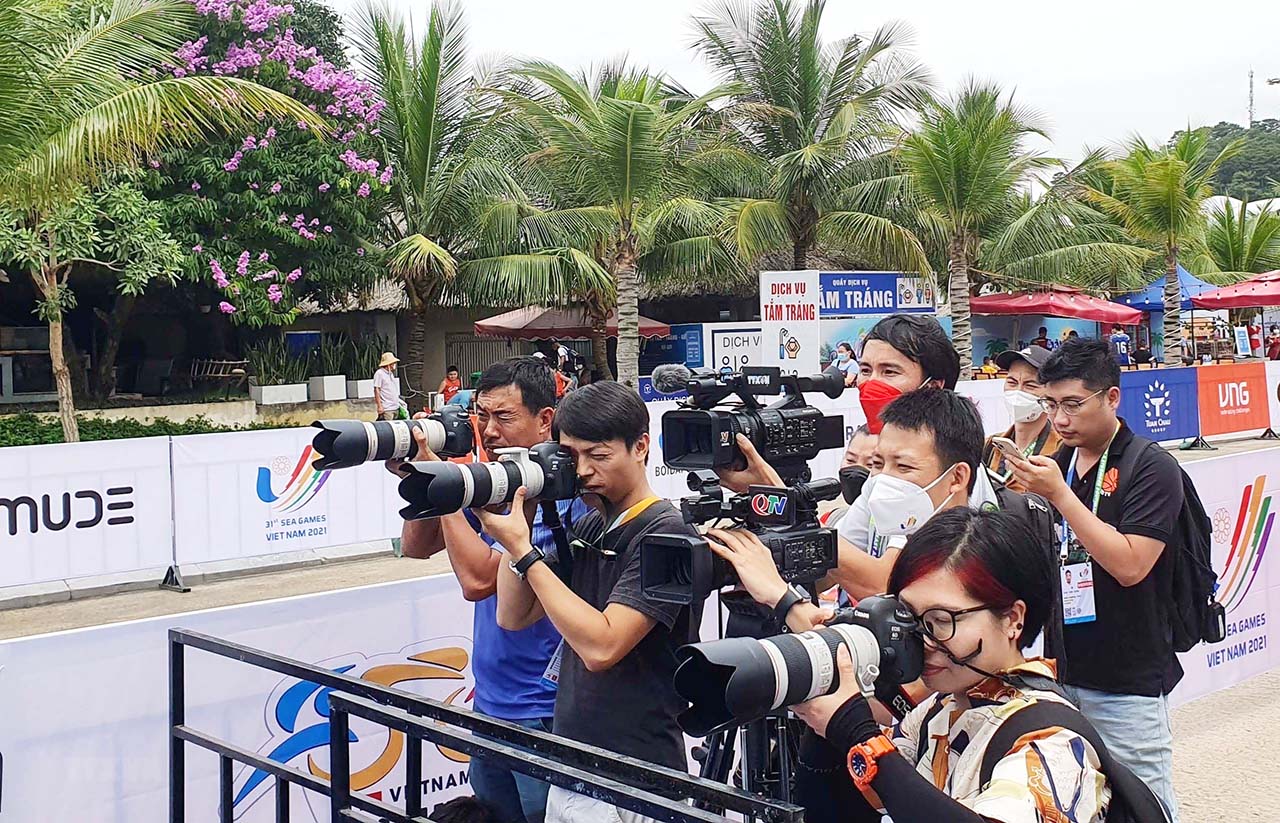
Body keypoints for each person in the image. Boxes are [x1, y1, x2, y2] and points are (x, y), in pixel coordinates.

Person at [778, 508, 1112, 823]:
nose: (921, 640)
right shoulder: (939, 710)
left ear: (1012, 619)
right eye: (908, 618)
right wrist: (827, 728)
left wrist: (859, 733)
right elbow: (851, 807)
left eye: (940, 620)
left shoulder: (1052, 741)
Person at [482, 382, 701, 823]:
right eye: (570, 456)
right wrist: (520, 522)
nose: (583, 471)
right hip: (574, 764)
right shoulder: (589, 527)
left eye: (598, 456)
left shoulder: (667, 532)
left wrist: (524, 552)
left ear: (641, 447)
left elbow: (603, 646)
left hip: (636, 777)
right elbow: (513, 614)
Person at [392, 357, 593, 823]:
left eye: (504, 416)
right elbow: (417, 547)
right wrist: (422, 480)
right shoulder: (491, 481)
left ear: (545, 419)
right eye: (481, 416)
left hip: (545, 710)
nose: (489, 430)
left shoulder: (565, 496)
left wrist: (443, 483)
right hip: (490, 703)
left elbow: (479, 582)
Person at [1005, 338, 1183, 822]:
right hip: (1062, 673)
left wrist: (1060, 497)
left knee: (1144, 807)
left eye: (1072, 404)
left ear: (1111, 397)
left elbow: (1131, 565)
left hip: (1127, 682)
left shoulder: (1151, 466)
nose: (1060, 419)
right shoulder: (1060, 463)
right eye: (1050, 404)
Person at [853, 314, 961, 435]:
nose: (872, 382)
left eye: (889, 372)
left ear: (932, 386)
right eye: (865, 370)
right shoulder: (861, 444)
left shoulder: (954, 444)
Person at [983, 345, 1062, 493]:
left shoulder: (1061, 450)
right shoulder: (990, 445)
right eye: (1012, 382)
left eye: (1030, 385)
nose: (1018, 392)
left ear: (1050, 394)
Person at [372, 351, 404, 420]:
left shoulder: (390, 374)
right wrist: (379, 406)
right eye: (393, 363)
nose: (394, 365)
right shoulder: (379, 373)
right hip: (387, 408)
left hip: (395, 406)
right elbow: (377, 390)